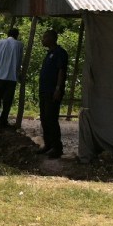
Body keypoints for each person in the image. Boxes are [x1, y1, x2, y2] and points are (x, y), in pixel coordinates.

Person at [35, 29, 68, 158]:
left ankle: (57, 147)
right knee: (44, 118)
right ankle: (48, 144)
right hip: (44, 90)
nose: (42, 40)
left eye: (45, 37)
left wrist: (58, 89)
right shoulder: (49, 53)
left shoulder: (60, 53)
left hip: (52, 91)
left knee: (51, 118)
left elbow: (61, 71)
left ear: (52, 39)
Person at [0, 27, 23, 128]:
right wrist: (18, 74)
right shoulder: (20, 45)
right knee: (7, 100)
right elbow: (19, 61)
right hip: (12, 78)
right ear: (17, 35)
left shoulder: (0, 42)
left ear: (8, 34)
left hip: (0, 75)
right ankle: (3, 119)